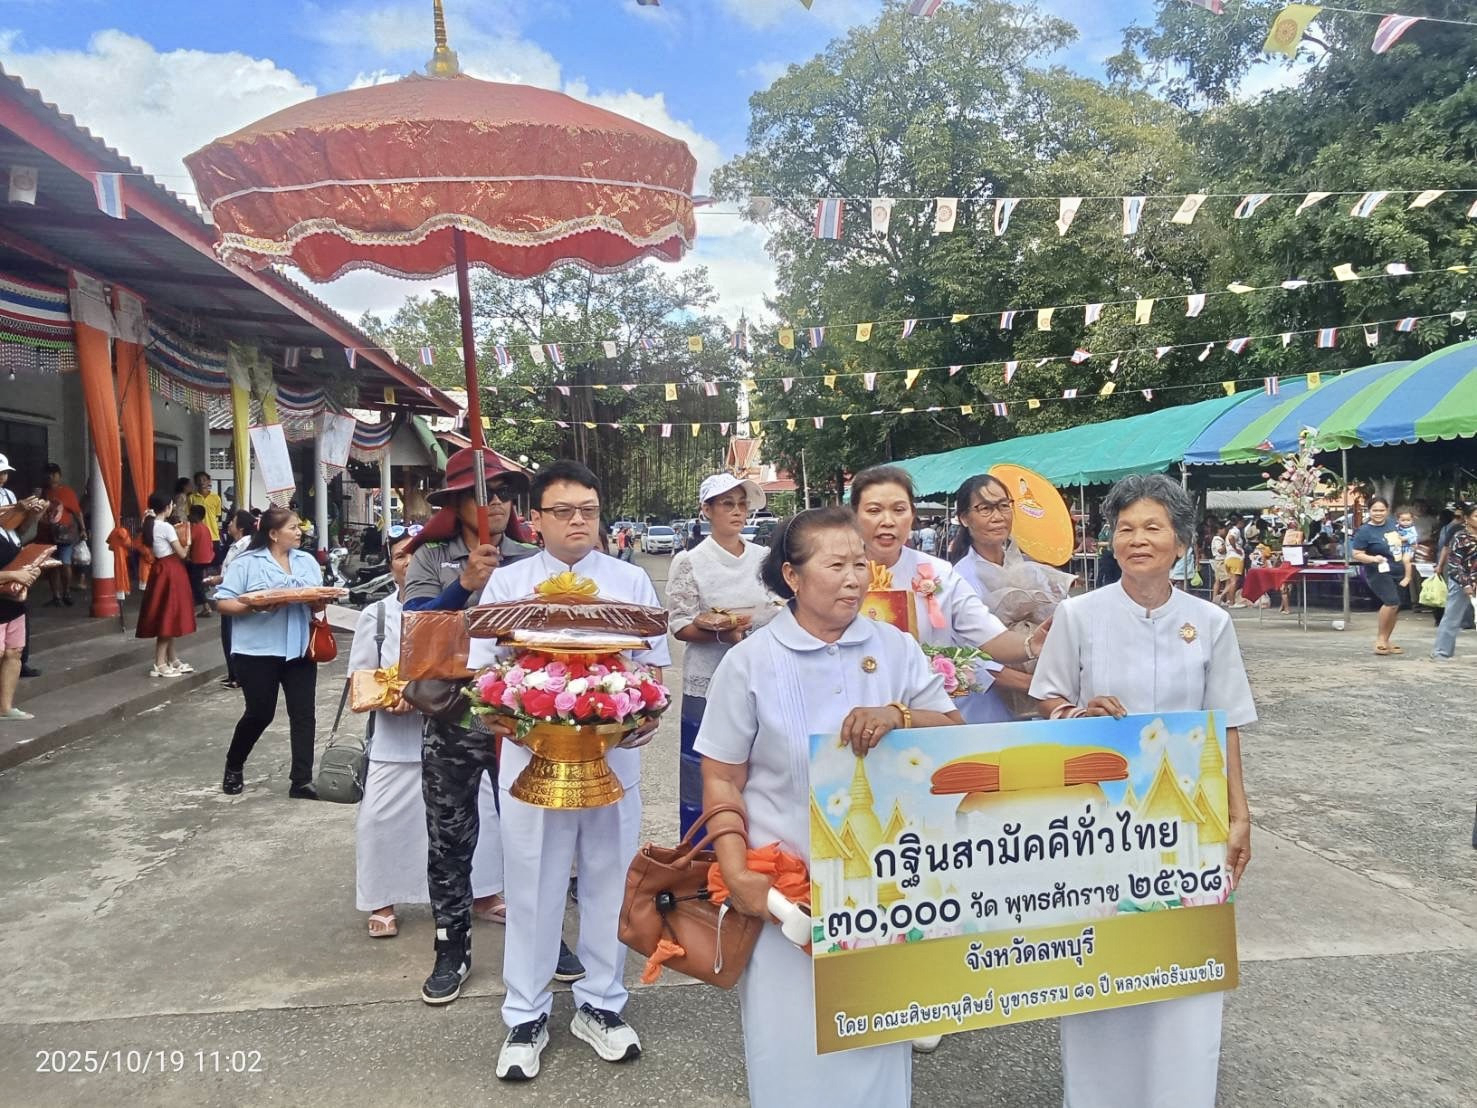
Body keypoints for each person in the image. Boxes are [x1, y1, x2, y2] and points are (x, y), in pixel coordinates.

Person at [695, 508, 963, 1106]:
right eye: (835, 564)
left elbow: (951, 727)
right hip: (788, 900)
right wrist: (737, 871)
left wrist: (899, 715)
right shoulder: (751, 662)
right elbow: (720, 774)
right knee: (793, 1051)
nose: (854, 578)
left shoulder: (893, 647)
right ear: (792, 576)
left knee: (875, 1044)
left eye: (860, 563)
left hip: (882, 891)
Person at [1031, 473, 1254, 1108]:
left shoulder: (1209, 622)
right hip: (1099, 820)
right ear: (1110, 540)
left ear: (1182, 541)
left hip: (1188, 819)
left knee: (1185, 967)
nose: (1137, 539)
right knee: (1101, 959)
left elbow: (1227, 723)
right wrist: (1076, 717)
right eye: (1125, 528)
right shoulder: (1079, 614)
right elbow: (1047, 699)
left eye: (1153, 527)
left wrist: (1241, 815)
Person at [470, 459, 671, 1083]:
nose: (578, 520)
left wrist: (643, 712)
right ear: (537, 520)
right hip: (533, 758)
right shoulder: (509, 585)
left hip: (613, 758)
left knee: (610, 878)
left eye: (588, 509)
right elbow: (483, 673)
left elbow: (654, 667)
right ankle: (525, 1013)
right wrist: (501, 715)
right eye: (563, 511)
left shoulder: (630, 580)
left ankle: (602, 1005)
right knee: (532, 882)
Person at [402, 447, 542, 1005]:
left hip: (522, 719)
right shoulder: (431, 557)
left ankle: (544, 937)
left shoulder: (534, 556)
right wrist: (463, 584)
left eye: (506, 493)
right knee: (451, 839)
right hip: (454, 717)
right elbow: (416, 630)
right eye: (486, 493)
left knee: (535, 839)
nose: (499, 504)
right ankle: (451, 943)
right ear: (457, 502)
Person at [351, 526, 505, 938]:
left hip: (453, 724)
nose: (408, 562)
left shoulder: (462, 608)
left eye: (414, 555)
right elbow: (359, 678)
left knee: (480, 815)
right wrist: (394, 692)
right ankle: (381, 899)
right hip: (394, 738)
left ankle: (486, 892)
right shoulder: (377, 615)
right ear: (392, 565)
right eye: (401, 556)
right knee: (382, 819)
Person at [850, 465, 1047, 719]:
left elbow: (988, 636)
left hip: (930, 715)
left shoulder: (939, 572)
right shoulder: (837, 573)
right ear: (855, 516)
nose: (887, 521)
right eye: (874, 510)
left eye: (899, 510)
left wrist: (1032, 645)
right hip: (859, 708)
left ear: (911, 516)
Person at [665, 472, 779, 836]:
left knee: (763, 766)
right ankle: (702, 859)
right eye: (726, 504)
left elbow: (781, 608)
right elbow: (681, 624)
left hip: (765, 673)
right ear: (706, 510)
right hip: (709, 680)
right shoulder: (690, 561)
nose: (736, 511)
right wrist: (724, 633)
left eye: (742, 504)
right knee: (703, 771)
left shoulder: (765, 558)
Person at [213, 505, 325, 799]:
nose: (299, 532)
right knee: (259, 713)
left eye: (299, 527)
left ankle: (301, 780)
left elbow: (319, 599)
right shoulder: (246, 563)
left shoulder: (307, 562)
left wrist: (317, 601)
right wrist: (253, 604)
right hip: (256, 651)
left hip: (299, 647)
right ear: (274, 534)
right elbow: (224, 603)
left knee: (304, 714)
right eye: (293, 528)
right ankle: (234, 764)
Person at [946, 472, 1075, 723]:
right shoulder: (956, 580)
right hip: (988, 706)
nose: (997, 516)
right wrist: (1036, 686)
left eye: (1004, 506)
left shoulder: (1032, 568)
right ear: (964, 518)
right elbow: (968, 661)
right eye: (985, 508)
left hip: (1042, 700)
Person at [135, 494, 197, 678]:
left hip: (160, 568)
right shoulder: (166, 527)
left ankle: (172, 659)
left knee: (167, 614)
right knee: (168, 615)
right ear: (168, 507)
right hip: (171, 570)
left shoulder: (150, 524)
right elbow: (182, 554)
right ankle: (160, 662)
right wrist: (188, 542)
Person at [0, 455, 47, 678]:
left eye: (4, 473)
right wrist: (16, 510)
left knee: (20, 607)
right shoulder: (10, 502)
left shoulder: (8, 494)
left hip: (12, 548)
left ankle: (21, 660)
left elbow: (18, 529)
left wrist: (33, 515)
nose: (3, 477)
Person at [1351, 497, 1405, 655]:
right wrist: (1373, 559)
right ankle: (1380, 638)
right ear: (1369, 511)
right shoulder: (1364, 531)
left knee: (1397, 606)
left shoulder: (1392, 524)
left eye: (1382, 510)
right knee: (1391, 602)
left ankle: (1387, 639)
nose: (1378, 513)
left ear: (1387, 511)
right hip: (1378, 570)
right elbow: (1356, 554)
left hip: (1397, 568)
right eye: (1375, 510)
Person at [0, 523, 43, 720]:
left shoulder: (10, 532)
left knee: (14, 652)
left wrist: (32, 571)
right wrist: (14, 575)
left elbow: (23, 560)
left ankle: (5, 708)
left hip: (14, 603)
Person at [210, 510, 254, 689]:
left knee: (232, 636)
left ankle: (238, 676)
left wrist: (220, 579)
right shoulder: (235, 545)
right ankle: (233, 674)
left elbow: (236, 573)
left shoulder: (245, 546)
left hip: (235, 597)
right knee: (228, 636)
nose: (228, 524)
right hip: (227, 594)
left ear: (241, 527)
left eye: (232, 522)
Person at [1431, 502, 1477, 661]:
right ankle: (1441, 652)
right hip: (1461, 581)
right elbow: (1455, 564)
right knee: (1452, 616)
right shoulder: (1460, 536)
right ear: (1467, 518)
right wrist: (1466, 584)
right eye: (1476, 516)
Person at [41, 462, 85, 606]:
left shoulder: (67, 492)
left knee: (65, 564)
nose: (51, 476)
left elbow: (77, 513)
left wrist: (83, 529)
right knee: (52, 566)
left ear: (59, 475)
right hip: (47, 534)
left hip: (65, 534)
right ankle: (56, 596)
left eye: (54, 473)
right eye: (48, 473)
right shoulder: (42, 492)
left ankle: (67, 592)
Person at [188, 471, 224, 562]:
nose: (201, 482)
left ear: (209, 481)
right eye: (199, 480)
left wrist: (220, 533)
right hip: (198, 534)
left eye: (204, 479)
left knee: (214, 561)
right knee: (199, 560)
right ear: (196, 482)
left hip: (213, 535)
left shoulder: (216, 498)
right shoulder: (192, 498)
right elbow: (189, 516)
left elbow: (218, 517)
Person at [186, 504, 214, 618]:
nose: (189, 516)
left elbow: (188, 542)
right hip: (207, 558)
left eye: (191, 514)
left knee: (195, 583)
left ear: (195, 516)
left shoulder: (195, 528)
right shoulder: (205, 527)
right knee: (197, 582)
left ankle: (206, 607)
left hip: (198, 560)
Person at [1394, 505, 1419, 595]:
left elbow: (1413, 538)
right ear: (1398, 520)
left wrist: (1403, 538)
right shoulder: (1397, 527)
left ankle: (1408, 577)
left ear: (1412, 520)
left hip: (1408, 548)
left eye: (1408, 520)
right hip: (1400, 548)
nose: (1405, 523)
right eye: (1403, 520)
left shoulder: (1412, 529)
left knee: (1406, 560)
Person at [1224, 516, 1246, 607]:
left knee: (1231, 581)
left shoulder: (1231, 530)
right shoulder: (1235, 531)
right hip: (1235, 558)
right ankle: (1232, 602)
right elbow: (1231, 538)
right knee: (1234, 581)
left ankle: (1229, 600)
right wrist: (1236, 549)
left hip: (1229, 558)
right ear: (1239, 522)